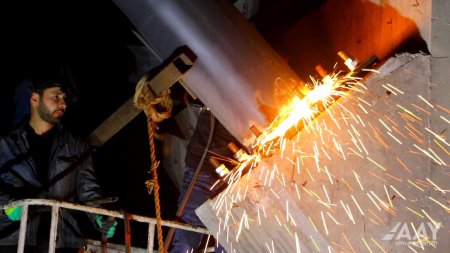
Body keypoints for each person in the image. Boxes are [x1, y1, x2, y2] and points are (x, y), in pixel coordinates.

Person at [0, 75, 117, 252]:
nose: (63, 103)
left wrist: (100, 217)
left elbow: (89, 192)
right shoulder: (5, 144)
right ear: (34, 98)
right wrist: (7, 205)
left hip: (63, 242)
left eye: (64, 98)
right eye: (56, 96)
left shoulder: (76, 147)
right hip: (14, 239)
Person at [170, 106, 242, 253]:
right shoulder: (227, 105)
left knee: (228, 234)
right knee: (190, 233)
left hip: (227, 176)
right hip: (204, 169)